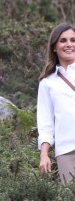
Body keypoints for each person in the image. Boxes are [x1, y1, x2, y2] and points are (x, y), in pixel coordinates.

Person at [37, 22, 75, 184]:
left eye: (73, 40)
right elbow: (45, 123)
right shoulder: (47, 83)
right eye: (63, 40)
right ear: (54, 47)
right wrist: (44, 154)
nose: (69, 44)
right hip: (66, 150)